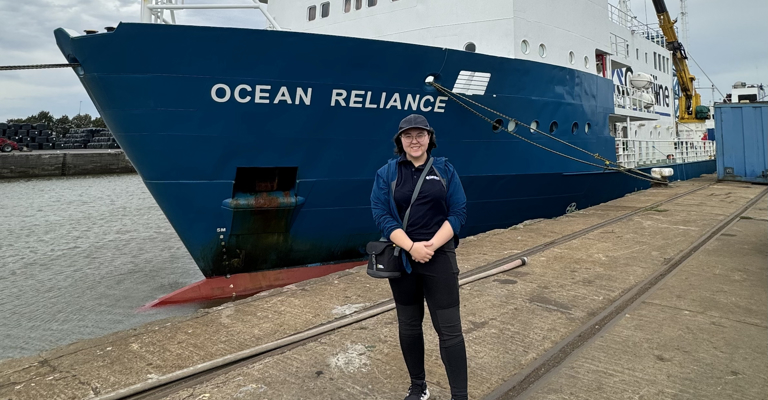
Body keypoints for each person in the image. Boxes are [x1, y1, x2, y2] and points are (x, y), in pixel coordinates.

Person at [370, 114, 468, 400]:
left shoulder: (446, 170)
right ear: (400, 141)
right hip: (403, 259)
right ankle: (418, 386)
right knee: (409, 326)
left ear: (429, 138)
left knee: (450, 331)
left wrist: (431, 246)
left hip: (439, 259)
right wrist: (412, 247)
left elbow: (458, 212)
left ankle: (459, 396)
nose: (415, 140)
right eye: (408, 136)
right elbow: (382, 215)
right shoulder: (387, 174)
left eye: (420, 135)